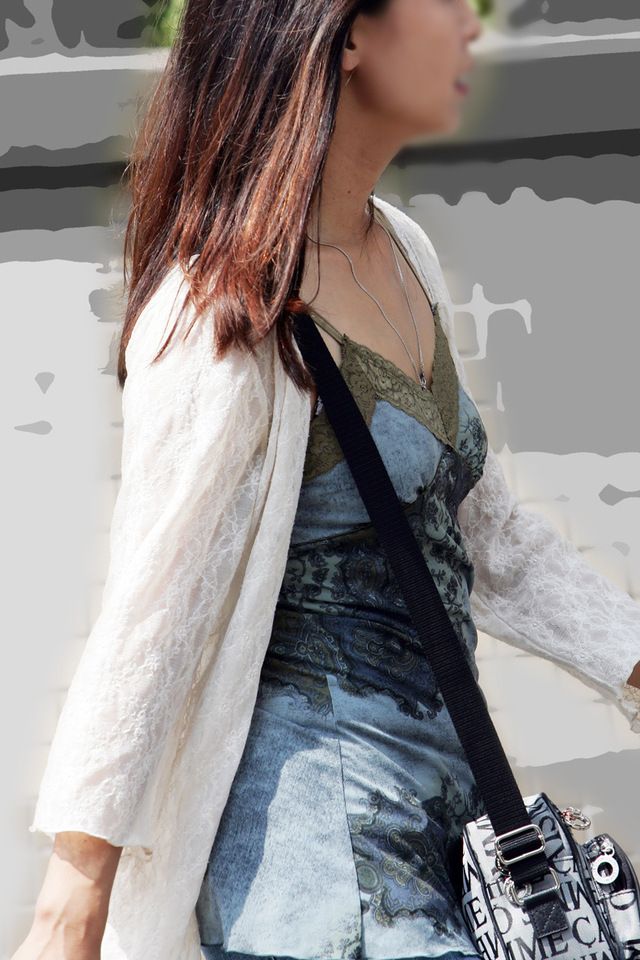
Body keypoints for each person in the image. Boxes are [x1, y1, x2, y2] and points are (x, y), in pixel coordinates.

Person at [13, 1, 640, 959]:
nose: (470, 24)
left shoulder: (403, 252)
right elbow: (153, 616)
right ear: (345, 34)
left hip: (447, 831)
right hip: (322, 876)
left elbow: (485, 538)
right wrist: (71, 907)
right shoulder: (223, 312)